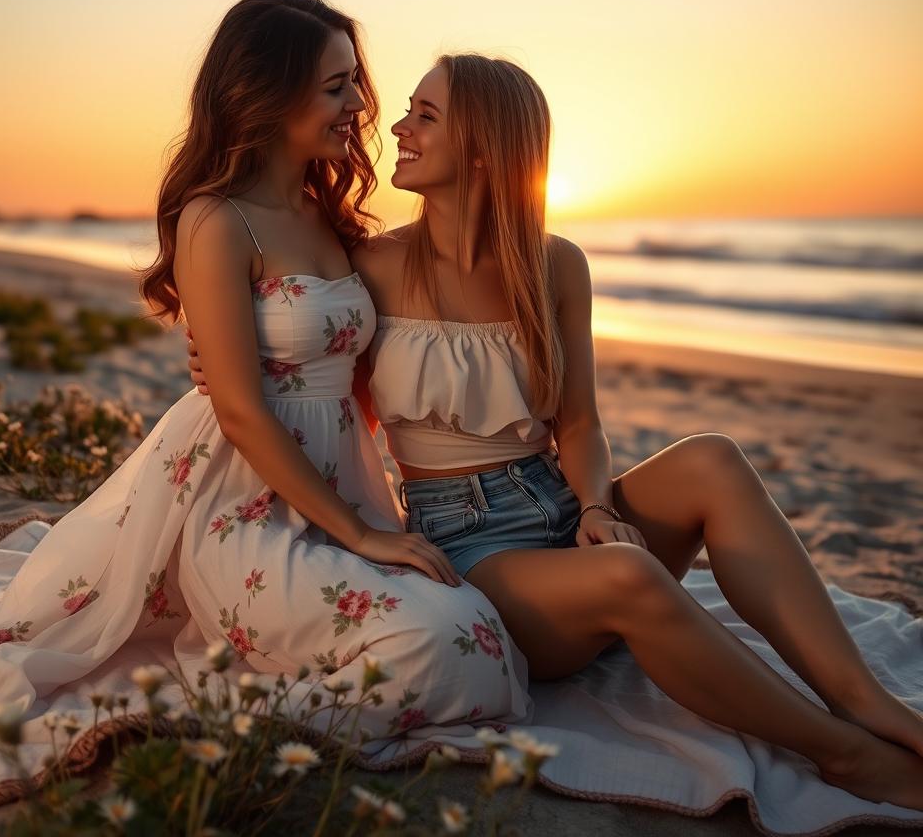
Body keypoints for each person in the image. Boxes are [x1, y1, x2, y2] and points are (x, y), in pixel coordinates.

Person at [187, 51, 923, 810]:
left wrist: (599, 507)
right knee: (631, 577)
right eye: (407, 110)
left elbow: (580, 422)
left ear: (482, 146)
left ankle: (867, 704)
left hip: (562, 508)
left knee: (714, 460)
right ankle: (842, 754)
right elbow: (305, 346)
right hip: (472, 547)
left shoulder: (556, 265)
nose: (397, 128)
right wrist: (221, 360)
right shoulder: (369, 264)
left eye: (423, 115)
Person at [0, 0, 535, 826]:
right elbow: (239, 408)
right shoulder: (216, 219)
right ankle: (219, 733)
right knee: (446, 645)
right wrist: (362, 536)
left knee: (473, 631)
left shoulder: (326, 213)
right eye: (336, 87)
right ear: (267, 96)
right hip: (243, 505)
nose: (360, 109)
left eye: (355, 83)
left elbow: (364, 359)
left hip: (343, 488)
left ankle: (276, 690)